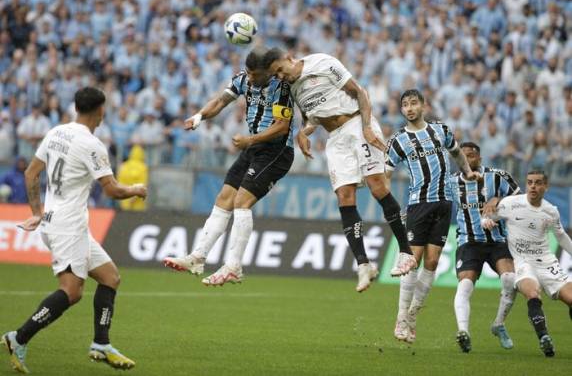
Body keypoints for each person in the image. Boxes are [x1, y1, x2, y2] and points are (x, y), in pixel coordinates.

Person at [1, 87, 147, 373]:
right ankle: (18, 337)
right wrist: (136, 189)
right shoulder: (92, 144)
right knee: (71, 292)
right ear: (99, 111)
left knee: (110, 277)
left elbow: (31, 173)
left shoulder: (56, 132)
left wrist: (36, 213)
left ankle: (101, 344)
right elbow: (113, 190)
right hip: (67, 227)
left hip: (62, 223)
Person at [262, 47, 416, 292]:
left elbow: (359, 92)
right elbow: (312, 117)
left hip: (357, 123)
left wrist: (367, 127)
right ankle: (364, 264)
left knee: (377, 186)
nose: (281, 76)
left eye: (280, 70)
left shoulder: (322, 62)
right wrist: (303, 132)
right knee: (344, 197)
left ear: (289, 58)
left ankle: (406, 252)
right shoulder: (292, 88)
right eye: (276, 75)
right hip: (335, 139)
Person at [163, 47, 295, 287]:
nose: (251, 78)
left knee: (241, 201)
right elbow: (220, 101)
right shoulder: (244, 79)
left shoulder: (281, 87)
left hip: (277, 151)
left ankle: (234, 266)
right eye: (249, 73)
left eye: (255, 75)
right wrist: (199, 117)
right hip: (253, 147)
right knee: (224, 197)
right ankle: (197, 257)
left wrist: (249, 140)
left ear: (268, 72)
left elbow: (282, 126)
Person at [385, 89, 480, 343]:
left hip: (444, 202)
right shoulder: (398, 140)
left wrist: (468, 171)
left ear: (423, 106)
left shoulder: (440, 129)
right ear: (402, 110)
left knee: (433, 262)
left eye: (413, 103)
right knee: (412, 261)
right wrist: (386, 200)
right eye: (405, 105)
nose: (409, 108)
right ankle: (401, 319)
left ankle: (413, 316)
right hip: (419, 204)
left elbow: (457, 151)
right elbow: (387, 171)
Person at [482, 170, 572, 357]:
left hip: (547, 262)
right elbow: (487, 217)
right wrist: (487, 222)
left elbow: (561, 237)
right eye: (530, 182)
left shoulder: (550, 211)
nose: (533, 186)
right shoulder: (510, 204)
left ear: (546, 187)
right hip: (523, 262)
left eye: (538, 183)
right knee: (532, 294)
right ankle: (544, 338)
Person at [450, 142, 520, 353]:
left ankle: (498, 324)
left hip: (497, 240)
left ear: (480, 158)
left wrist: (498, 199)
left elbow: (521, 200)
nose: (468, 159)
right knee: (465, 286)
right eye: (464, 155)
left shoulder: (498, 176)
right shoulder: (451, 183)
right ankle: (463, 331)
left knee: (510, 279)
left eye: (472, 155)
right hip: (468, 241)